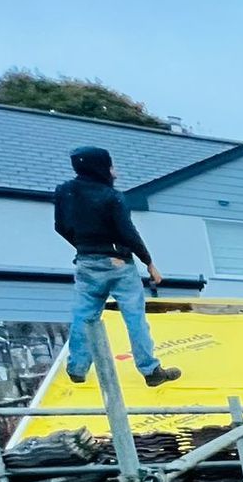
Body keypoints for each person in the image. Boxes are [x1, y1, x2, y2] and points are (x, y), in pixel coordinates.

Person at [53, 146, 180, 387]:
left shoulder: (64, 192)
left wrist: (83, 246)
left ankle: (77, 369)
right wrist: (149, 262)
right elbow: (128, 233)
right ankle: (150, 370)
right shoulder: (111, 197)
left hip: (86, 261)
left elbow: (60, 227)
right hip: (118, 262)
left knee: (84, 316)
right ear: (101, 167)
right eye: (112, 167)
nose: (116, 173)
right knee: (134, 317)